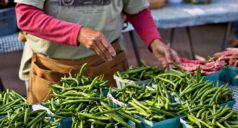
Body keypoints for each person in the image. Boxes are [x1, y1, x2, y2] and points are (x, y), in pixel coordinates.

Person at [15, 0, 180, 104]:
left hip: (108, 67)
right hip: (54, 73)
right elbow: (27, 17)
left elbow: (136, 10)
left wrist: (153, 40)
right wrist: (78, 33)